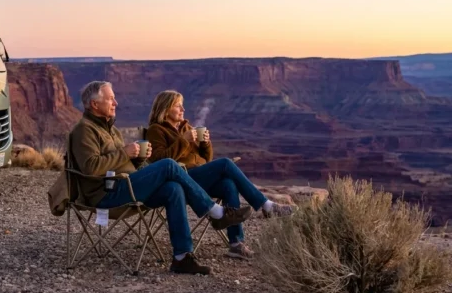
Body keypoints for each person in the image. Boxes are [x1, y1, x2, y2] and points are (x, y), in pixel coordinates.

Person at [69, 81, 253, 275]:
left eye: (114, 98)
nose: (116, 102)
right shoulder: (84, 130)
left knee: (173, 188)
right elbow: (90, 168)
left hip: (125, 184)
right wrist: (125, 153)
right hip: (104, 193)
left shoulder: (110, 129)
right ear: (94, 104)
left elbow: (121, 164)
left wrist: (139, 159)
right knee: (168, 164)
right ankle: (215, 211)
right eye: (110, 99)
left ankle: (182, 257)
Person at [146, 90, 296, 260]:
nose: (183, 109)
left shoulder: (186, 127)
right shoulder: (156, 130)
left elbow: (205, 159)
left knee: (228, 185)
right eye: (177, 105)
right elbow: (160, 162)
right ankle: (266, 205)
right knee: (225, 163)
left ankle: (236, 244)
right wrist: (184, 140)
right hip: (182, 179)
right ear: (166, 109)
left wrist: (205, 144)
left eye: (182, 105)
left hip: (198, 177)